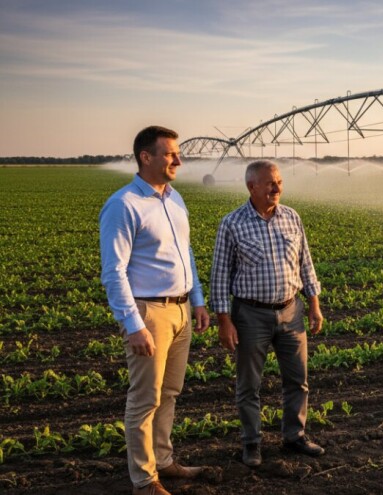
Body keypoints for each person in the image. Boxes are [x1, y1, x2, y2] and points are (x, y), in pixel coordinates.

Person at [100, 125, 211, 495]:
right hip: (149, 313)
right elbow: (113, 272)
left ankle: (163, 460)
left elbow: (187, 253)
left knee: (170, 392)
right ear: (146, 157)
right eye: (170, 154)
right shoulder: (124, 204)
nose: (178, 160)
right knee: (145, 398)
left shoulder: (174, 198)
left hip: (180, 311)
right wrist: (134, 325)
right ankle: (144, 480)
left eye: (177, 153)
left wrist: (196, 300)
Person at [210, 160, 325, 468]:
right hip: (250, 315)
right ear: (252, 187)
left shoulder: (291, 217)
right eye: (270, 183)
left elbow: (306, 263)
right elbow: (220, 276)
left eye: (279, 182)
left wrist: (313, 304)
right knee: (249, 385)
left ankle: (295, 436)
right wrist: (224, 321)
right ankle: (251, 443)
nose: (277, 188)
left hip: (291, 310)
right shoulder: (232, 223)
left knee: (297, 380)